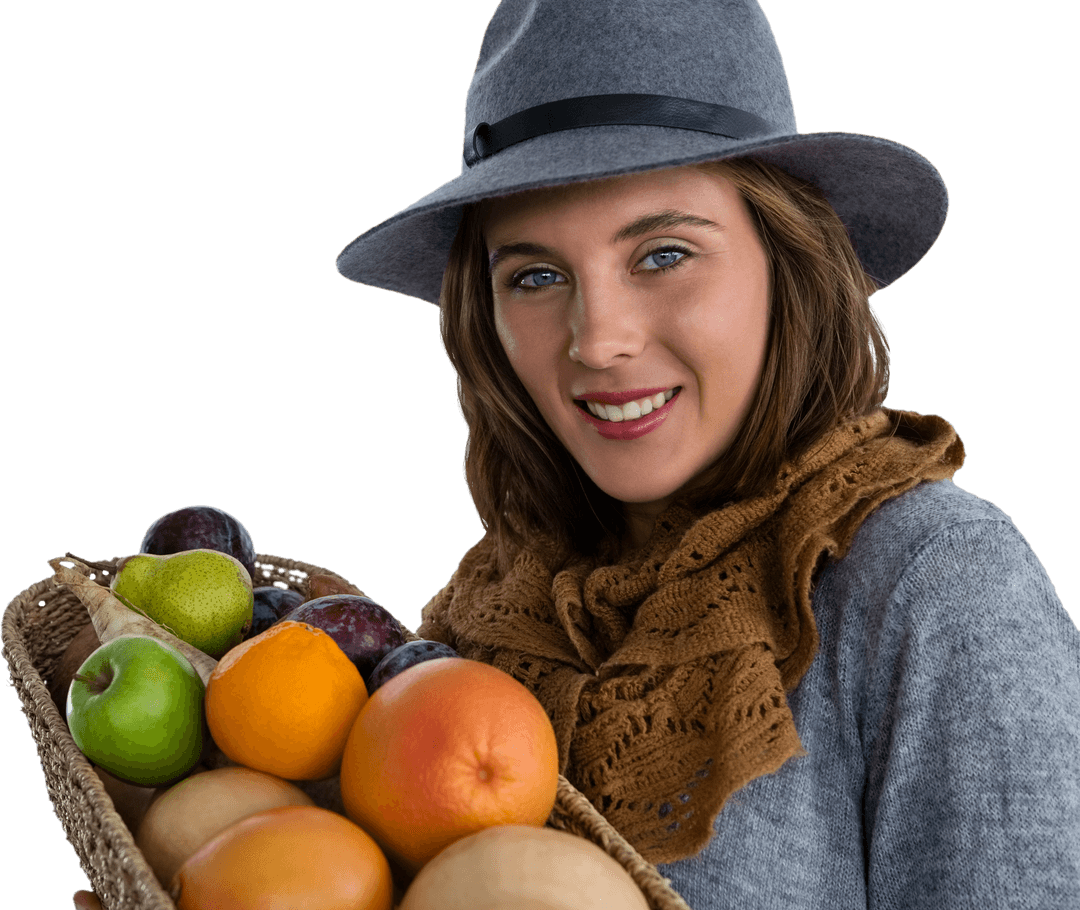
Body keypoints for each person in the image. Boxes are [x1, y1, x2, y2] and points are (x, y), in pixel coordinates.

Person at [76, 1, 1080, 907]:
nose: (596, 339)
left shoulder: (933, 584)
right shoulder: (488, 615)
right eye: (537, 274)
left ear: (789, 264)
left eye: (663, 254)